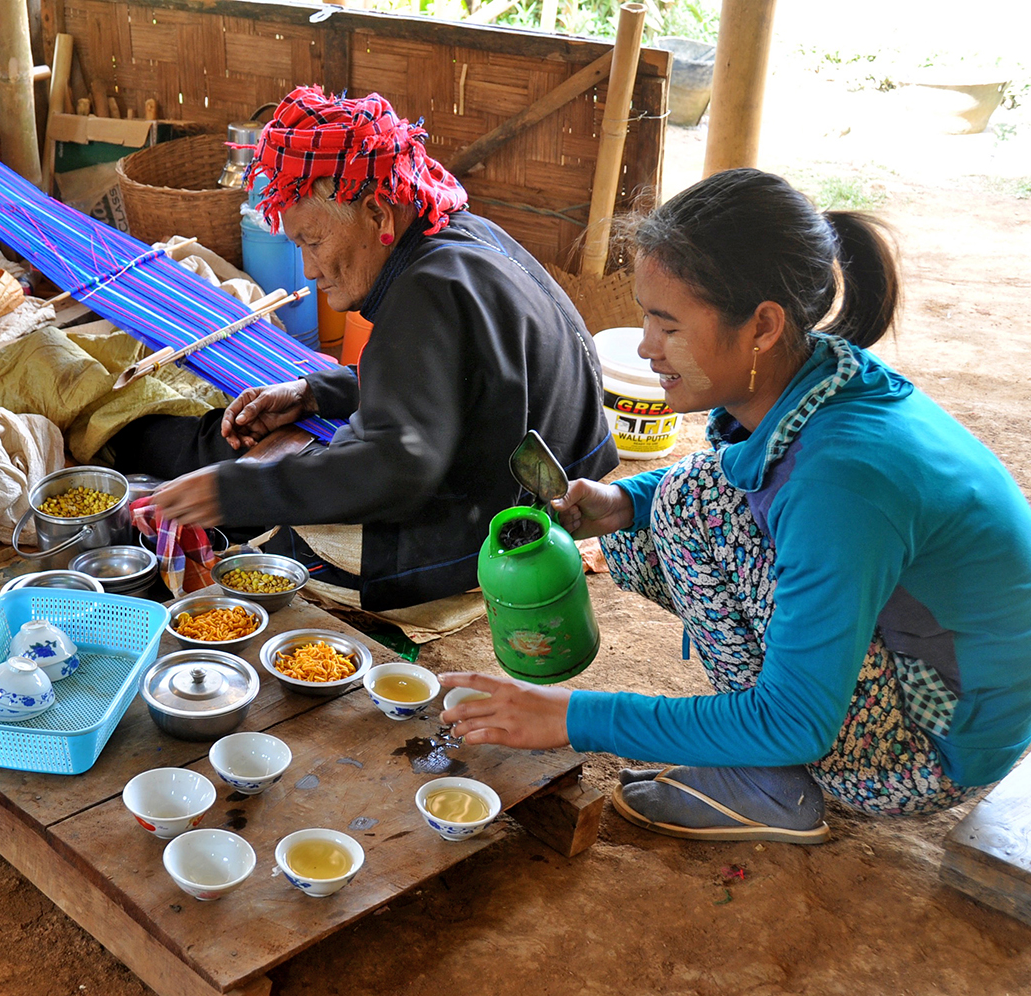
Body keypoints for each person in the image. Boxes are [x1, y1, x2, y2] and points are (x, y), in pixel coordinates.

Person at [442, 168, 1031, 842]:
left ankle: (770, 782)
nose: (645, 346)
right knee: (662, 510)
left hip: (932, 752)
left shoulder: (841, 482)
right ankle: (756, 737)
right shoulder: (822, 372)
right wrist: (619, 502)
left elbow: (798, 720)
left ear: (762, 326)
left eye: (667, 326)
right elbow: (740, 474)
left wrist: (567, 715)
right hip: (944, 679)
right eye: (645, 317)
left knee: (692, 504)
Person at [110, 86, 617, 611]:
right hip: (548, 476)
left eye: (312, 241)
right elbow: (459, 378)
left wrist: (230, 492)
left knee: (260, 536)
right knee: (259, 451)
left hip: (490, 528)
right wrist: (314, 393)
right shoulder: (466, 236)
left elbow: (395, 466)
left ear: (377, 214)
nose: (308, 269)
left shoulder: (428, 292)